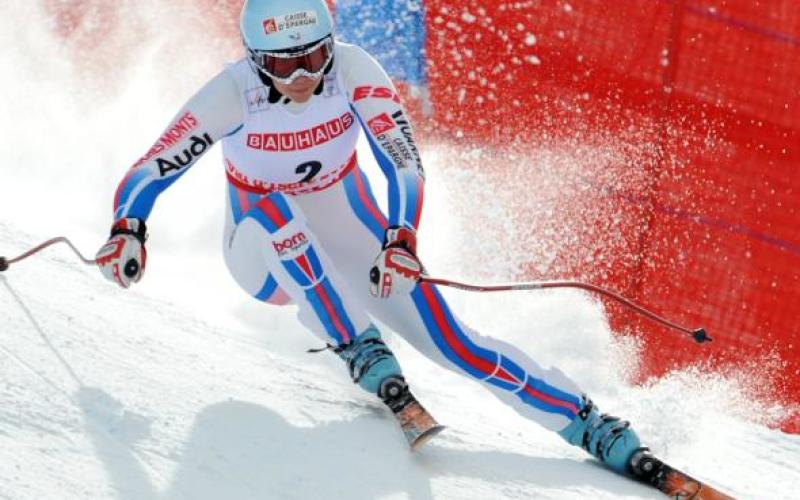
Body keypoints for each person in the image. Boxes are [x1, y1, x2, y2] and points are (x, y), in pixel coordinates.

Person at [95, 0, 646, 478]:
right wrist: (129, 229)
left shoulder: (355, 69)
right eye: (284, 65)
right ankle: (356, 342)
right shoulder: (231, 93)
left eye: (313, 57)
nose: (302, 78)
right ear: (255, 60)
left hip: (347, 233)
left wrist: (400, 239)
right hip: (259, 254)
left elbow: (403, 163)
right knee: (275, 208)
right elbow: (153, 168)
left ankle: (587, 424)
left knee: (455, 342)